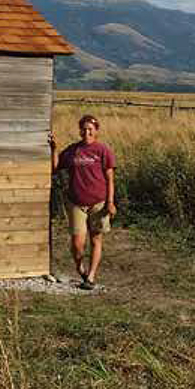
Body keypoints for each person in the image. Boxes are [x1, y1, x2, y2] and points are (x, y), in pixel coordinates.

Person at [49, 114, 117, 290]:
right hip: (76, 202)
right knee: (77, 243)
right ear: (80, 130)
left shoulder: (103, 150)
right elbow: (56, 168)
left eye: (90, 129)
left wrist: (110, 202)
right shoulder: (73, 150)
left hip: (99, 202)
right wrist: (54, 149)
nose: (87, 132)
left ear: (96, 131)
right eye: (84, 129)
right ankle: (80, 268)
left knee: (96, 239)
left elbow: (110, 178)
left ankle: (91, 276)